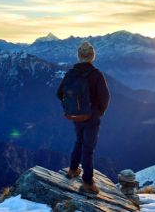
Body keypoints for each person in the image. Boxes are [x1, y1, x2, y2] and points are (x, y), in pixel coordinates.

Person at [56, 41, 110, 194]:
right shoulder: (97, 74)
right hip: (92, 117)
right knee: (88, 149)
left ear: (79, 56)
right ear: (93, 56)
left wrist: (72, 107)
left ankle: (73, 170)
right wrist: (99, 112)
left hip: (76, 116)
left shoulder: (71, 73)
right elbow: (105, 97)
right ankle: (87, 182)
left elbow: (59, 94)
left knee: (79, 140)